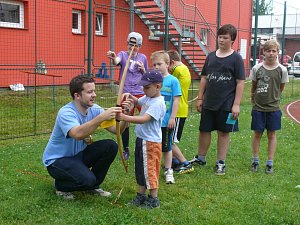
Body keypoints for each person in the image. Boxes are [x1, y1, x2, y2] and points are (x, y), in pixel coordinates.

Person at [42, 75, 130, 200]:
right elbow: (77, 134)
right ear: (77, 95)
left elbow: (117, 131)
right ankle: (61, 185)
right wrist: (101, 117)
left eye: (94, 91)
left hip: (78, 156)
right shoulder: (66, 112)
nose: (94, 95)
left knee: (110, 146)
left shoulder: (94, 109)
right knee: (87, 180)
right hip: (57, 161)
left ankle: (93, 186)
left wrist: (126, 116)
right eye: (89, 92)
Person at [190, 24, 245, 175]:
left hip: (226, 104)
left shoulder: (236, 58)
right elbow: (204, 78)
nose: (221, 40)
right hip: (209, 102)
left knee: (223, 132)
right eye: (220, 37)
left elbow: (240, 83)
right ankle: (201, 158)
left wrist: (236, 105)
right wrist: (200, 98)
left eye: (225, 37)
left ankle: (221, 162)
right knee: (204, 130)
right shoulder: (211, 56)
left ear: (232, 40)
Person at [116, 70, 166, 209]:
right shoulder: (149, 97)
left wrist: (124, 118)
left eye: (147, 87)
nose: (144, 89)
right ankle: (141, 195)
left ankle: (154, 199)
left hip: (150, 143)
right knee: (140, 170)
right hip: (142, 140)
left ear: (158, 86)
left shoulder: (158, 103)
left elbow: (144, 119)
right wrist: (130, 96)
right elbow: (139, 101)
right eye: (143, 87)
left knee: (150, 170)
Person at [107, 32, 148, 160]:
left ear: (140, 46)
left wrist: (143, 70)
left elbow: (146, 76)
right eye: (130, 44)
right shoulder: (123, 54)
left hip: (140, 92)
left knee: (146, 117)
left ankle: (146, 145)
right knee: (124, 120)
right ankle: (126, 149)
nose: (132, 47)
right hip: (125, 92)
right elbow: (116, 61)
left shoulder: (143, 58)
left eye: (135, 45)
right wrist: (114, 57)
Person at [249, 39, 289, 174]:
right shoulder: (256, 68)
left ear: (278, 53)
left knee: (272, 134)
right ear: (263, 52)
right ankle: (255, 160)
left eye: (274, 51)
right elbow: (253, 86)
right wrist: (253, 100)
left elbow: (280, 87)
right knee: (257, 134)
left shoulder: (282, 70)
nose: (271, 53)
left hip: (274, 109)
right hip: (258, 108)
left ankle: (270, 162)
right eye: (268, 51)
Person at [151, 50, 181, 184]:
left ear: (168, 64)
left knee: (167, 147)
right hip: (153, 122)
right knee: (154, 145)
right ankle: (154, 169)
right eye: (154, 64)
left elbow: (176, 100)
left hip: (166, 122)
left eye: (159, 64)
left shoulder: (173, 81)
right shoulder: (153, 80)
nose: (156, 67)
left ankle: (169, 170)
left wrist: (172, 118)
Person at [167, 50, 194, 174]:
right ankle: (173, 161)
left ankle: (185, 163)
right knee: (169, 138)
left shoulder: (177, 70)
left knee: (170, 140)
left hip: (177, 110)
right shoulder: (184, 68)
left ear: (171, 62)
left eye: (167, 64)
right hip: (180, 109)